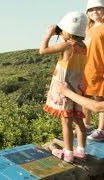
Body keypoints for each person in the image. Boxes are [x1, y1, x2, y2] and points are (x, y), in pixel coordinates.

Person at [39, 11, 88, 163]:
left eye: (62, 31)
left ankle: (68, 153)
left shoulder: (67, 45)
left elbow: (42, 51)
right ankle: (81, 150)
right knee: (79, 120)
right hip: (78, 89)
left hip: (65, 89)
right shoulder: (83, 46)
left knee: (66, 121)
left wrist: (49, 34)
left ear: (68, 31)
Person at [82, 0, 104, 141]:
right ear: (88, 13)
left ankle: (101, 129)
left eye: (98, 9)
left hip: (101, 69)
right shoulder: (88, 29)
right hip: (87, 69)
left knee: (101, 99)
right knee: (85, 99)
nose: (95, 12)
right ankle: (86, 125)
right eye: (91, 10)